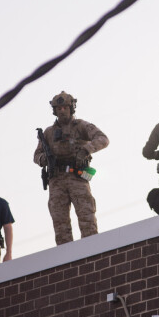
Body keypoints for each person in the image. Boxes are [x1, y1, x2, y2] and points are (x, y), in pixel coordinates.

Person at [34, 91, 109, 245]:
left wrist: (86, 149)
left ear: (71, 108)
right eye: (59, 108)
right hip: (57, 180)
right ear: (54, 110)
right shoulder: (48, 132)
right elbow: (36, 155)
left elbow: (103, 139)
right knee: (60, 222)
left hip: (77, 177)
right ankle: (65, 259)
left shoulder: (81, 126)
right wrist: (44, 159)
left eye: (65, 107)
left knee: (87, 217)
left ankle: (91, 251)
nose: (62, 111)